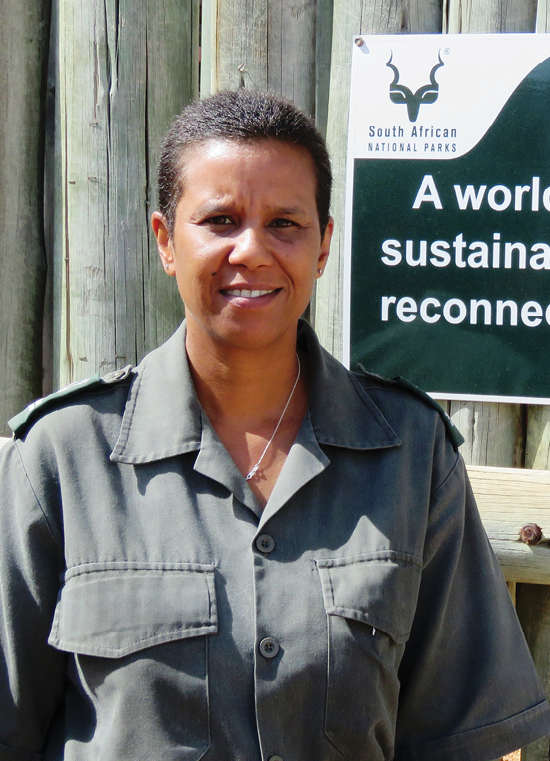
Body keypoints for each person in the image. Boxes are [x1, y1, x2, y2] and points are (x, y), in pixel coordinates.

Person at [0, 89, 549, 761]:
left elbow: (468, 738)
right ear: (167, 240)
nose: (252, 250)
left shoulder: (411, 456)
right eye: (221, 219)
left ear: (323, 246)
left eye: (285, 223)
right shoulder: (63, 458)